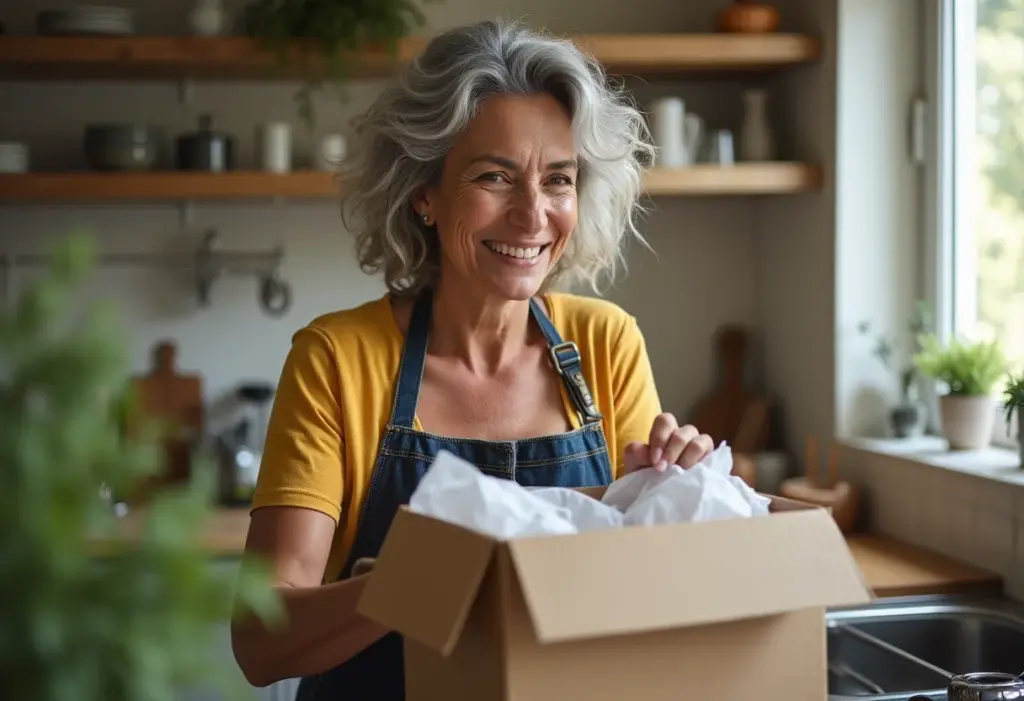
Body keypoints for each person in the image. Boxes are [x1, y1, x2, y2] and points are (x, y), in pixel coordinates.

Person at [230, 18, 714, 701]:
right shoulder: (337, 360)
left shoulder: (607, 344)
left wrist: (676, 495)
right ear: (424, 192)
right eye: (495, 177)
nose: (533, 214)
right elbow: (261, 640)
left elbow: (642, 599)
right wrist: (420, 579)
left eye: (558, 180)